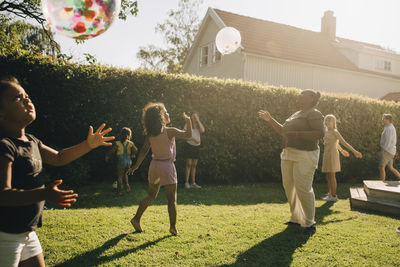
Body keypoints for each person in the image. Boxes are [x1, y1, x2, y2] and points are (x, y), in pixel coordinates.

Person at [0, 76, 114, 267]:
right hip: (5, 236)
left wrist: (88, 145)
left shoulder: (32, 141)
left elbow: (59, 157)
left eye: (26, 95)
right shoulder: (5, 146)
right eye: (17, 98)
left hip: (27, 232)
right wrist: (44, 193)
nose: (27, 99)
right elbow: (3, 195)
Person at [258, 89, 325, 236]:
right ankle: (295, 218)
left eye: (303, 95)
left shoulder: (314, 113)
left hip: (305, 155)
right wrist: (270, 119)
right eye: (299, 95)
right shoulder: (296, 114)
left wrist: (297, 135)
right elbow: (283, 131)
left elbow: (320, 133)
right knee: (289, 185)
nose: (299, 97)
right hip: (288, 153)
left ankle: (310, 223)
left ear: (310, 99)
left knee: (303, 188)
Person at [128, 102, 192, 235]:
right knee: (171, 200)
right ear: (161, 116)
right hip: (167, 168)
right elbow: (188, 135)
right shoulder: (170, 131)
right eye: (166, 112)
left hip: (155, 167)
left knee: (151, 195)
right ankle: (173, 227)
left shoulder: (151, 134)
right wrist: (189, 121)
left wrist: (136, 166)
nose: (168, 114)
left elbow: (144, 150)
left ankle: (136, 219)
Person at [321, 114, 362, 202]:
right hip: (326, 154)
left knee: (332, 175)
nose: (327, 122)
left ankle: (334, 196)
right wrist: (342, 151)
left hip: (332, 155)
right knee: (328, 175)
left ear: (333, 122)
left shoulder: (335, 132)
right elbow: (336, 144)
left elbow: (344, 142)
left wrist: (355, 151)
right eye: (326, 120)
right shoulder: (326, 132)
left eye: (329, 120)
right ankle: (330, 193)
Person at [105, 127, 138, 195]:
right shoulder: (130, 143)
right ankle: (127, 186)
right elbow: (136, 150)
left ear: (121, 135)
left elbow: (112, 151)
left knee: (119, 176)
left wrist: (107, 155)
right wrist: (133, 154)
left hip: (121, 160)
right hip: (128, 160)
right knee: (125, 174)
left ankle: (119, 191)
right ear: (129, 135)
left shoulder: (117, 143)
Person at [184, 112, 205, 189]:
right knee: (188, 164)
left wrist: (198, 120)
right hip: (189, 146)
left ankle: (193, 183)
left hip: (197, 147)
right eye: (193, 116)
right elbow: (184, 136)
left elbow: (203, 130)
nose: (194, 117)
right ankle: (186, 183)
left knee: (194, 165)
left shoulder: (198, 125)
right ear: (191, 117)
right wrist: (193, 139)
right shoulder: (187, 124)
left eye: (196, 116)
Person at [379, 114, 400, 181]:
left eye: (383, 118)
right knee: (391, 167)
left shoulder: (390, 128)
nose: (382, 120)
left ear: (388, 120)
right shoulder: (388, 127)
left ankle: (382, 183)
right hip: (390, 151)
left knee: (381, 167)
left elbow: (388, 141)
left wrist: (384, 149)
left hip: (387, 151)